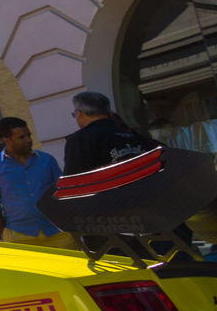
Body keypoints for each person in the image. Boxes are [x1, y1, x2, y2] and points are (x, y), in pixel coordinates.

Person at [64, 91, 198, 251]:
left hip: (115, 228)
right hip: (156, 218)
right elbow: (173, 161)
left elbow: (74, 186)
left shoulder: (81, 139)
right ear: (109, 112)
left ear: (79, 114)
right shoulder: (134, 136)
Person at [0, 116, 75, 246]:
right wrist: (5, 232)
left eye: (28, 135)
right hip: (19, 236)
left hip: (58, 232)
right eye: (22, 137)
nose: (28, 140)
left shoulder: (47, 160)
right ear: (6, 140)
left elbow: (63, 192)